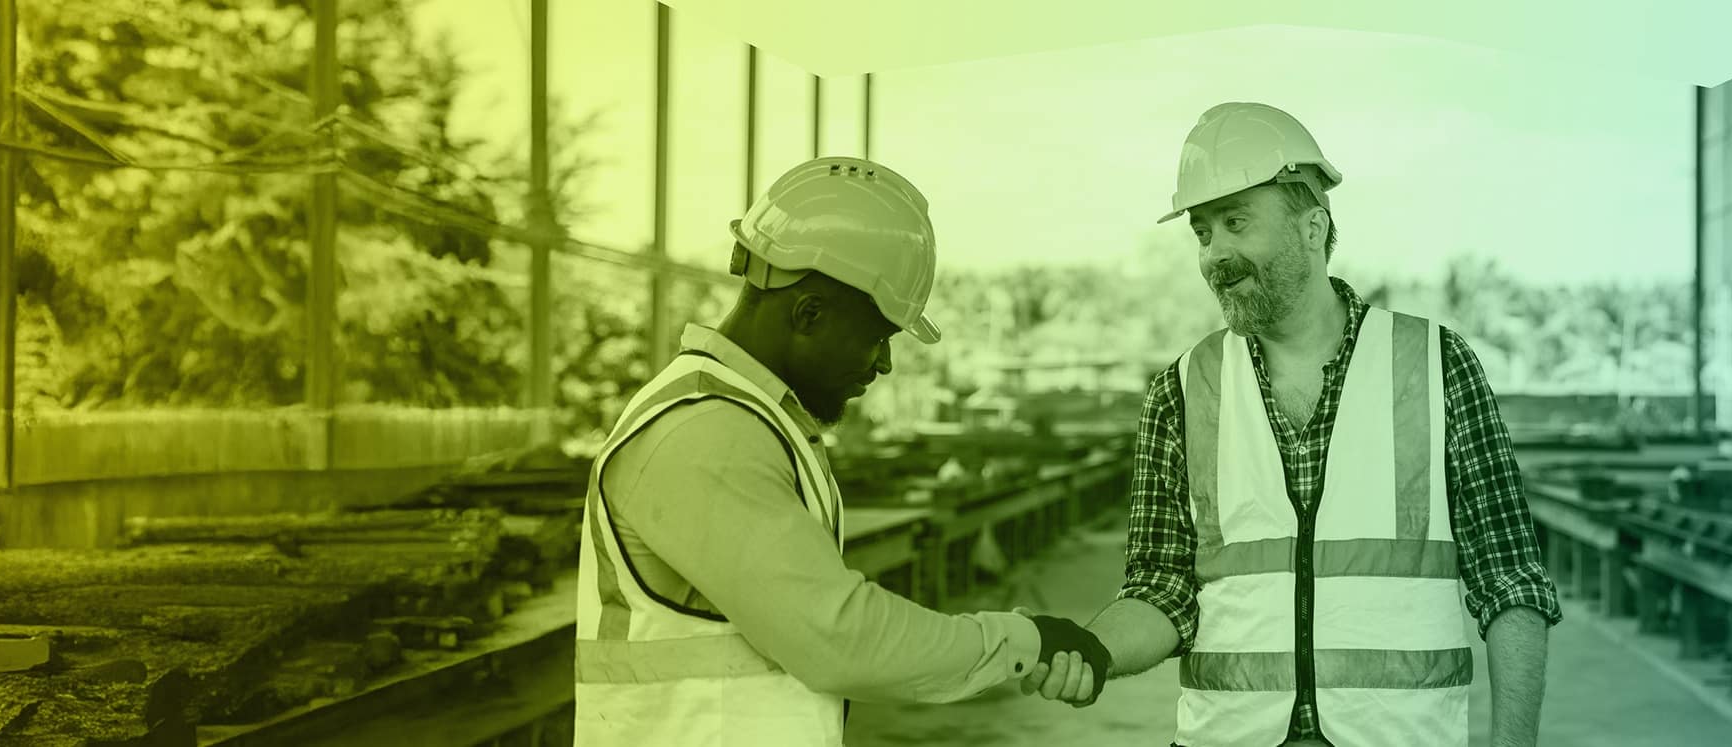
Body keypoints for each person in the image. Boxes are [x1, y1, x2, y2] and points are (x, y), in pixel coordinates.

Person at [1026, 102, 1560, 747]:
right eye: (1202, 232)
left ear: (1313, 227)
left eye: (1237, 223)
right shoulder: (1182, 390)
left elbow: (1511, 580)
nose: (1216, 254)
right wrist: (1094, 650)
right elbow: (1161, 588)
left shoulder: (1436, 368)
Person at [573, 156, 1111, 746]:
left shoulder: (751, 418)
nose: (884, 363)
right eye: (878, 337)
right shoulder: (703, 432)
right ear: (809, 313)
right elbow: (841, 637)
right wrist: (1022, 640)